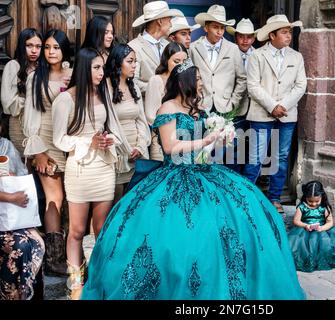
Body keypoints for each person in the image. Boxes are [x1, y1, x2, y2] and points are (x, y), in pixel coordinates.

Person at [81, 59, 306, 300]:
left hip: (204, 170)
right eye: (197, 79)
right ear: (184, 82)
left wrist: (219, 140)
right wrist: (204, 141)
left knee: (247, 214)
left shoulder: (199, 109)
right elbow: (169, 147)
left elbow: (204, 149)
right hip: (175, 174)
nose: (201, 83)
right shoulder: (167, 108)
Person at [52, 48, 122, 300]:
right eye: (96, 68)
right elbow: (59, 139)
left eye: (102, 68)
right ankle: (75, 282)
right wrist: (87, 143)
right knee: (77, 230)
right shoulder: (65, 100)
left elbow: (111, 127)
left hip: (103, 168)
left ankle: (98, 278)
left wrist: (107, 140)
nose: (102, 73)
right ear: (83, 69)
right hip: (79, 169)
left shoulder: (104, 93)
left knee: (101, 228)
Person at [242, 15, 306, 214]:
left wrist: (283, 105)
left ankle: (275, 197)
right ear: (272, 35)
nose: (289, 35)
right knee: (256, 156)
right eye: (284, 32)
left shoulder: (296, 57)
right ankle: (247, 197)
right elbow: (252, 85)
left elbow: (301, 85)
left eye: (289, 31)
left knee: (281, 156)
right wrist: (272, 106)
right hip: (261, 113)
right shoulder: (257, 56)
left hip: (287, 114)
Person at [22, 29, 72, 276]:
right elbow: (30, 117)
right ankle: (54, 259)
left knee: (72, 200)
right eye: (47, 48)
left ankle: (73, 253)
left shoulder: (73, 76)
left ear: (64, 50)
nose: (50, 52)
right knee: (55, 198)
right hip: (45, 143)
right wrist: (37, 151)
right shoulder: (35, 78)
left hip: (71, 144)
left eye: (56, 47)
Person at [0, 124, 44, 300]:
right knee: (18, 246)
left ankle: (28, 296)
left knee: (34, 243)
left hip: (8, 217)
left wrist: (11, 178)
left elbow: (22, 175)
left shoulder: (5, 146)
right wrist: (10, 197)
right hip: (6, 207)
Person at [105, 44, 151, 201]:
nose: (134, 65)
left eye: (135, 61)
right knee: (115, 201)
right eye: (130, 61)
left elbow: (141, 121)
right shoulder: (106, 87)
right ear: (118, 62)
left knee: (133, 201)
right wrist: (126, 150)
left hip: (136, 154)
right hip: (117, 153)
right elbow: (111, 121)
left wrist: (140, 146)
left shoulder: (134, 87)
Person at [288, 181, 335, 272]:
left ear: (322, 197)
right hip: (305, 231)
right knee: (301, 246)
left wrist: (322, 228)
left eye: (317, 201)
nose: (314, 204)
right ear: (305, 198)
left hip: (322, 230)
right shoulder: (302, 207)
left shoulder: (324, 207)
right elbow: (296, 221)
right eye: (310, 201)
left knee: (329, 243)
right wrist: (305, 225)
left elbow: (330, 222)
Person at [190, 5, 247, 115]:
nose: (219, 32)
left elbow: (242, 78)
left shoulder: (233, 48)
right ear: (206, 28)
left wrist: (233, 102)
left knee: (224, 133)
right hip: (199, 106)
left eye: (222, 28)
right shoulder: (193, 48)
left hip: (225, 107)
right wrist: (193, 100)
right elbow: (188, 78)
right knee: (198, 132)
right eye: (215, 27)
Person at [1, 28, 42, 158]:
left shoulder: (43, 68)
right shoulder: (13, 66)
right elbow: (9, 104)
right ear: (21, 45)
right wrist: (30, 101)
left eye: (38, 46)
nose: (34, 50)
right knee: (25, 166)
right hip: (20, 125)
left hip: (42, 126)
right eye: (29, 45)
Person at [128, 1, 183, 95]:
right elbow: (132, 83)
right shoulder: (133, 47)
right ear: (160, 21)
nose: (171, 25)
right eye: (169, 20)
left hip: (170, 106)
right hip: (148, 106)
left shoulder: (168, 45)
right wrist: (160, 87)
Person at [145, 42, 188, 161]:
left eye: (184, 62)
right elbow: (151, 115)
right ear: (166, 61)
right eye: (176, 61)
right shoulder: (156, 80)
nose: (181, 65)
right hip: (161, 142)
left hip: (185, 143)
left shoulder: (187, 83)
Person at [225, 18, 257, 173]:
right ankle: (233, 175)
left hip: (254, 109)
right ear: (235, 37)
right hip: (235, 108)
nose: (245, 40)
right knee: (233, 146)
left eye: (249, 36)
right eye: (241, 36)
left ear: (254, 38)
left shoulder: (258, 55)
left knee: (252, 146)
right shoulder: (229, 53)